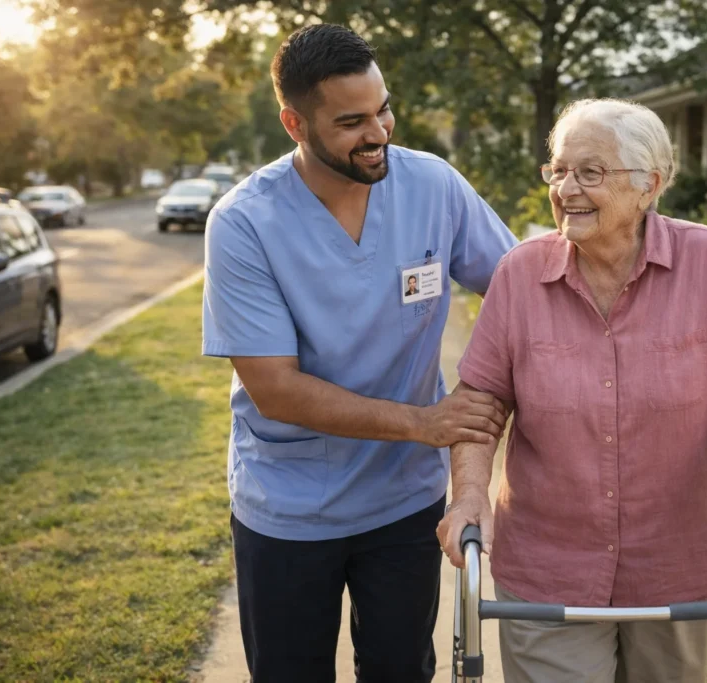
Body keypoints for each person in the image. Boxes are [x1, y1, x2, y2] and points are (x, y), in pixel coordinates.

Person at [201, 24, 518, 683]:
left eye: (383, 109)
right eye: (351, 122)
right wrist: (424, 424)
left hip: (404, 499)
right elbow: (276, 389)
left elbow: (521, 288)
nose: (378, 132)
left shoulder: (433, 186)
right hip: (288, 505)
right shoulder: (244, 223)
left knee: (402, 669)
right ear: (295, 122)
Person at [436, 98, 707, 683]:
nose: (566, 188)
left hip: (675, 563)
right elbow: (481, 405)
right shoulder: (519, 276)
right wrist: (470, 492)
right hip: (548, 567)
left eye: (590, 173)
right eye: (559, 170)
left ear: (648, 185)